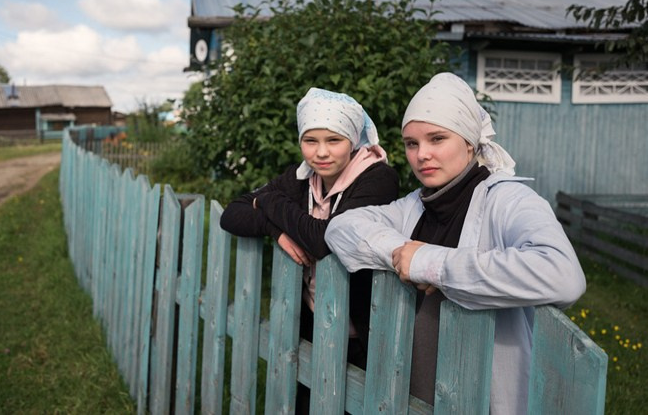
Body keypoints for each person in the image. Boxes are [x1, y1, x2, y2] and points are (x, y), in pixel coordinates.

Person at [325, 72, 586, 414]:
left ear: (468, 142)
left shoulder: (508, 199)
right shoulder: (415, 205)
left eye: (437, 139)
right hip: (415, 391)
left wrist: (430, 263)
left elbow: (564, 275)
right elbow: (341, 228)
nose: (422, 155)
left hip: (485, 397)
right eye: (411, 143)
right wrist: (397, 251)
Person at [219, 87, 399, 410]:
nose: (321, 153)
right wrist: (274, 228)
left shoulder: (378, 179)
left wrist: (270, 201)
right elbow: (232, 213)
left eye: (334, 140)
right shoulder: (302, 178)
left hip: (366, 333)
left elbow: (324, 239)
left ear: (353, 140)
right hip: (312, 323)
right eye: (310, 141)